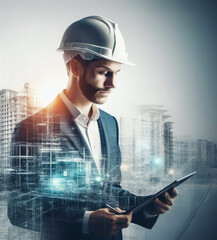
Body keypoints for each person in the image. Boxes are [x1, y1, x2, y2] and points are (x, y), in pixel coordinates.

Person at [8, 16, 178, 240]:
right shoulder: (31, 129)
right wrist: (86, 222)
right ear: (76, 67)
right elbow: (20, 211)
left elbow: (110, 191)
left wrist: (148, 207)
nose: (112, 84)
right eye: (104, 72)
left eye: (116, 74)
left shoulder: (109, 123)